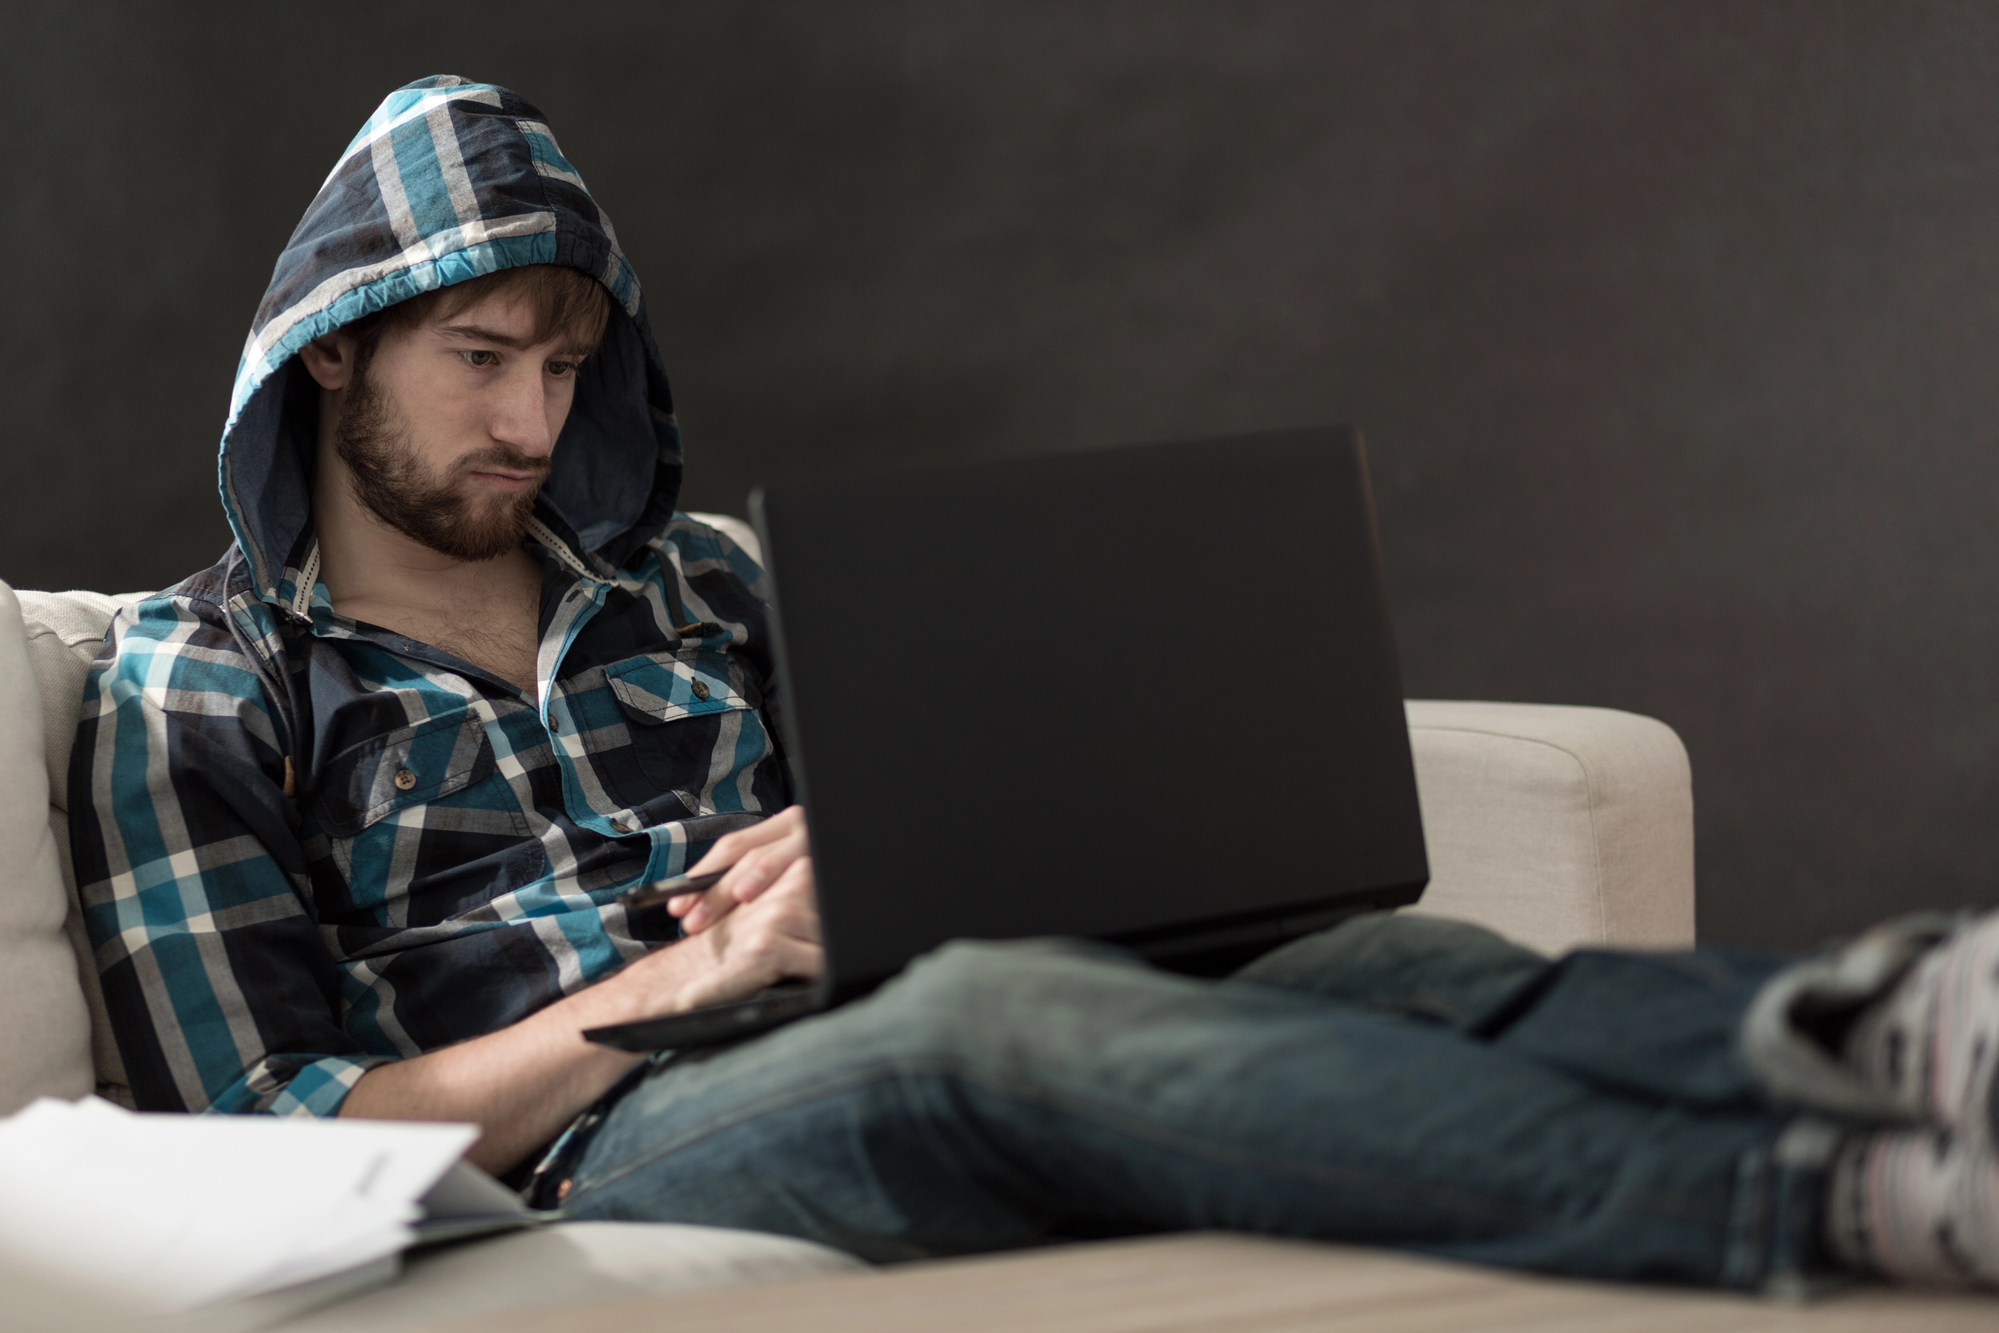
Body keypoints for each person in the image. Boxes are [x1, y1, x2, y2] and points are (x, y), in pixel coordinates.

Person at [71, 76, 1999, 1294]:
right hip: (619, 1131)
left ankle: (1912, 1023)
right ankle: (1817, 1211)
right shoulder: (194, 684)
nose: (530, 421)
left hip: (899, 990)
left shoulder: (696, 591)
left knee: (1395, 966)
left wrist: (928, 840)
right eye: (482, 356)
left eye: (567, 371)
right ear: (330, 354)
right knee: (1000, 1016)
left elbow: (919, 844)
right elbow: (270, 1145)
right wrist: (696, 975)